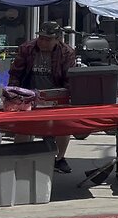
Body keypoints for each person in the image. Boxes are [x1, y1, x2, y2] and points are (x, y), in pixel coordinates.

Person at [7, 21, 78, 173]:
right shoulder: (26, 49)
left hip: (55, 95)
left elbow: (69, 79)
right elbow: (15, 74)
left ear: (57, 39)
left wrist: (66, 96)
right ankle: (20, 157)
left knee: (64, 126)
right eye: (41, 38)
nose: (43, 42)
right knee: (23, 128)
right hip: (28, 94)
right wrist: (14, 94)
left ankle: (59, 159)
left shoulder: (67, 52)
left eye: (48, 39)